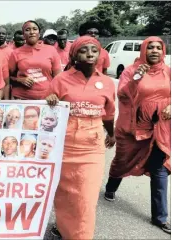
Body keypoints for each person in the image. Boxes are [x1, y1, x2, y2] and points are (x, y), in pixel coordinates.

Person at [45, 36, 116, 239]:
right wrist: (49, 99)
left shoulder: (107, 82)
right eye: (84, 50)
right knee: (65, 194)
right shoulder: (60, 79)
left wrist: (111, 134)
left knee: (86, 197)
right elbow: (48, 113)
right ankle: (63, 226)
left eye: (94, 50)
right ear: (74, 54)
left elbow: (109, 114)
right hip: (64, 143)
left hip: (91, 145)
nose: (90, 54)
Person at [104, 37, 171, 233]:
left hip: (160, 127)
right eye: (150, 47)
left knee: (159, 169)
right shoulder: (132, 71)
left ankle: (160, 217)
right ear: (143, 50)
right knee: (123, 161)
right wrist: (137, 79)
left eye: (159, 48)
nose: (155, 51)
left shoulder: (167, 71)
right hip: (133, 128)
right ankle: (111, 186)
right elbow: (123, 95)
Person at [8, 20, 62, 100]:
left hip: (47, 99)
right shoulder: (15, 53)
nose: (31, 32)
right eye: (27, 30)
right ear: (23, 35)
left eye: (34, 29)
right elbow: (7, 78)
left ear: (39, 33)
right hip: (22, 98)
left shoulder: (51, 50)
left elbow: (58, 77)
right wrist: (19, 80)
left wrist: (54, 94)